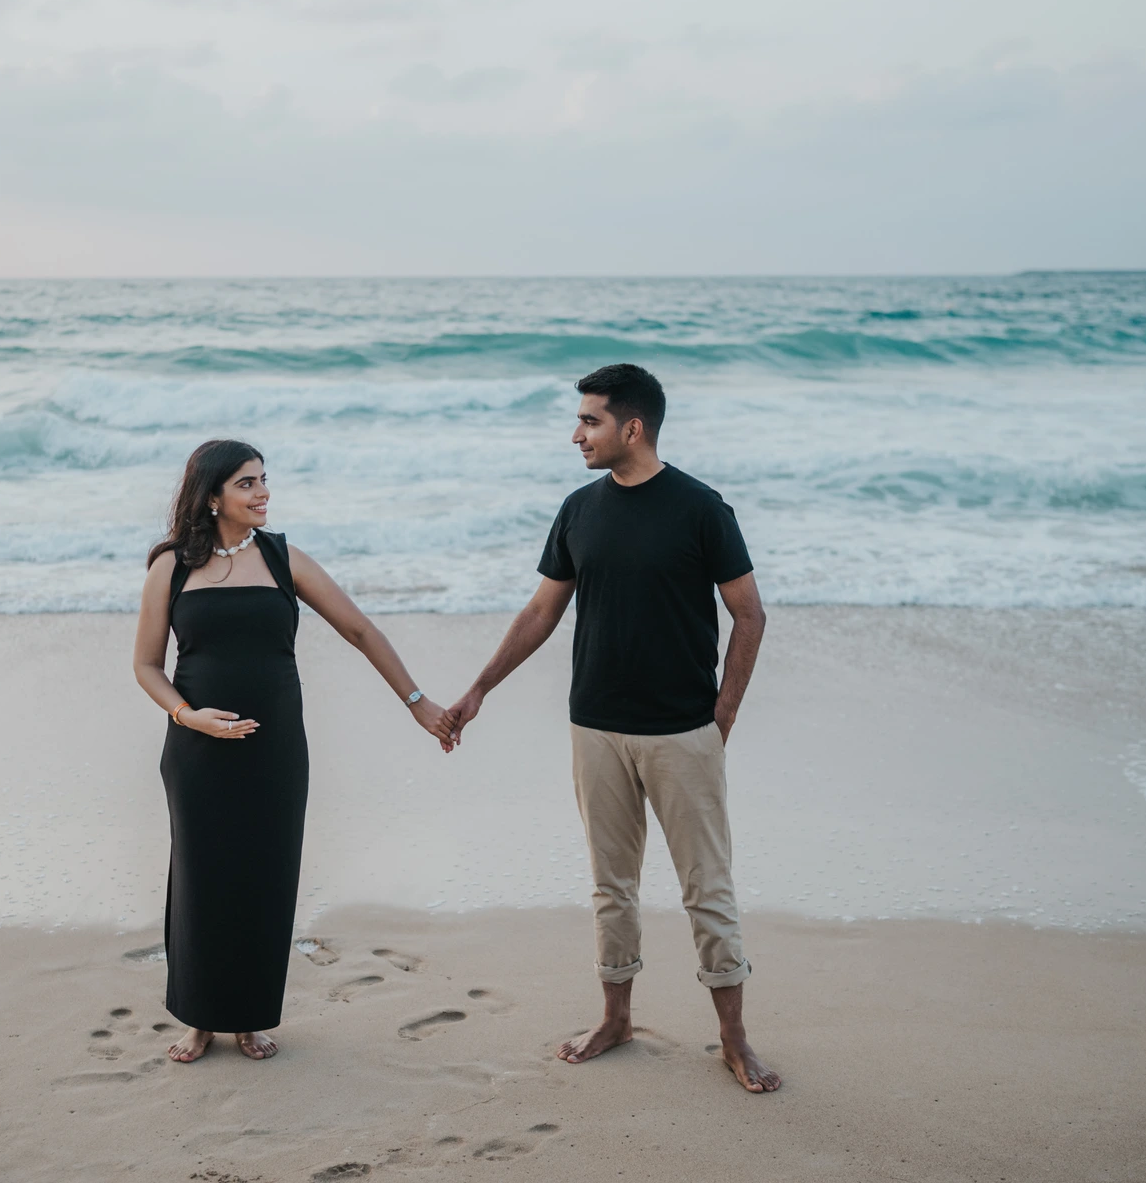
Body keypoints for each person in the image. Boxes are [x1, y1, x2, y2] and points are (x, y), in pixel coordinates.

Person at [437, 364, 780, 1093]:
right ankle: (616, 1018)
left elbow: (748, 613)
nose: (576, 433)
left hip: (682, 733)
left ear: (633, 427)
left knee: (707, 890)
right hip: (594, 728)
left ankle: (733, 1037)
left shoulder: (700, 509)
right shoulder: (578, 509)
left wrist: (721, 718)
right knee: (611, 887)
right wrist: (478, 689)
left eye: (590, 420)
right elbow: (540, 613)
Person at [133, 438, 449, 1063]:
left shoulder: (283, 559)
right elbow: (146, 665)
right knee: (200, 880)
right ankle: (198, 1019)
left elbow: (361, 629)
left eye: (263, 480)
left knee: (264, 879)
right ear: (213, 494)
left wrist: (417, 702)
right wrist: (188, 716)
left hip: (275, 751)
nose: (263, 493)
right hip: (197, 753)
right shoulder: (171, 566)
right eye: (247, 483)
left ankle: (248, 1017)